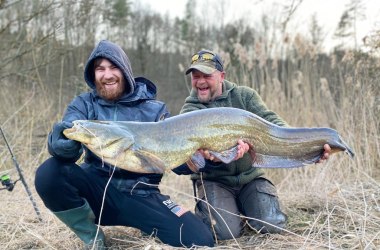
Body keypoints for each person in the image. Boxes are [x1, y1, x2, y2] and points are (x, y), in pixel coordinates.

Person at [34, 40, 214, 249]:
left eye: (113, 67)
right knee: (49, 172)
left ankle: (149, 225)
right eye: (100, 69)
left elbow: (178, 165)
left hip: (143, 196)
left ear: (125, 71)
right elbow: (68, 136)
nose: (107, 75)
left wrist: (202, 156)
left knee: (200, 240)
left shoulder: (155, 110)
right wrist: (58, 145)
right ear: (93, 74)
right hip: (97, 191)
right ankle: (92, 237)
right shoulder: (84, 104)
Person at [178, 49, 331, 241]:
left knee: (272, 226)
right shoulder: (190, 110)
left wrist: (306, 145)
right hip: (214, 181)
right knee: (224, 234)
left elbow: (273, 123)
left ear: (221, 76)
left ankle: (250, 208)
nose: (200, 82)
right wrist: (213, 159)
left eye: (206, 76)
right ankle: (216, 213)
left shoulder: (245, 96)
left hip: (250, 178)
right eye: (195, 76)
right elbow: (188, 159)